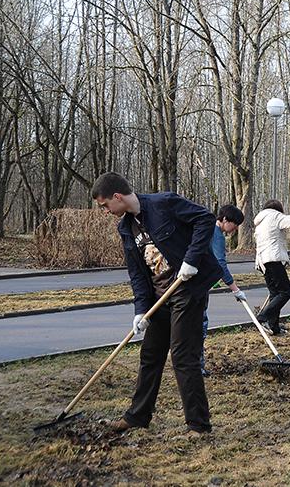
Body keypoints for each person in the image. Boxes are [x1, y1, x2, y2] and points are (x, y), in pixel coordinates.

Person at [91, 172, 220, 436]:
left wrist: (192, 260)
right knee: (150, 354)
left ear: (117, 197)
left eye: (105, 205)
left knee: (183, 355)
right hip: (159, 296)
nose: (105, 211)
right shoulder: (125, 228)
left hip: (187, 288)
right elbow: (137, 273)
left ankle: (198, 425)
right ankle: (137, 417)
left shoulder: (164, 203)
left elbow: (205, 219)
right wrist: (140, 311)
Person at [201, 205, 246, 376]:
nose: (234, 230)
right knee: (200, 325)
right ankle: (196, 366)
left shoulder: (206, 227)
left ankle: (191, 364)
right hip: (198, 285)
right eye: (234, 225)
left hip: (194, 281)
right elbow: (220, 263)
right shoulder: (216, 234)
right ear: (225, 220)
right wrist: (235, 289)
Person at [254, 200, 290, 335]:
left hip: (262, 261)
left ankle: (273, 327)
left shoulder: (261, 221)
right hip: (273, 260)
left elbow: (271, 241)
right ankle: (263, 317)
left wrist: (285, 253)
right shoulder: (275, 216)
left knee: (275, 294)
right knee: (285, 292)